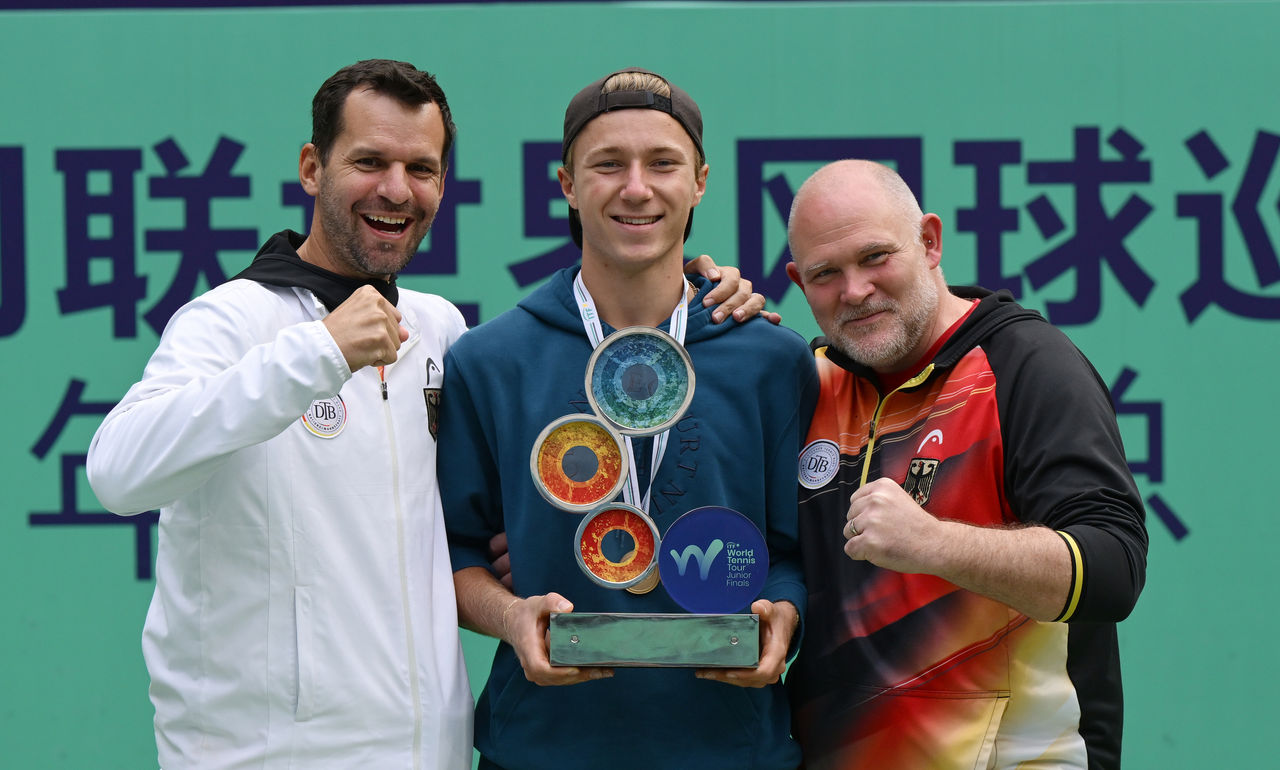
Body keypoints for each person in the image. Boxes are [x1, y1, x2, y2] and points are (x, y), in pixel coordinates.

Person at [85, 59, 761, 770]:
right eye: (368, 162)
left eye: (422, 168)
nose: (396, 190)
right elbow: (117, 472)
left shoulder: (439, 330)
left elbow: (476, 525)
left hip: (428, 753)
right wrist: (317, 353)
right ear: (313, 168)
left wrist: (690, 297)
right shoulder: (232, 320)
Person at [438, 68, 819, 770]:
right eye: (607, 164)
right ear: (566, 184)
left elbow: (796, 549)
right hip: (542, 750)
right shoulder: (491, 360)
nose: (636, 188)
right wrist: (510, 616)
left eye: (662, 163)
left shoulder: (772, 359)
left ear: (700, 181)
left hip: (732, 749)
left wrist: (783, 621)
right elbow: (452, 555)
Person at [782, 159, 1149, 769]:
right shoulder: (807, 384)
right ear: (798, 280)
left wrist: (934, 543)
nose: (855, 290)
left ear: (929, 242)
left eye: (876, 257)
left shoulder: (1028, 364)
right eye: (826, 273)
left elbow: (1113, 568)